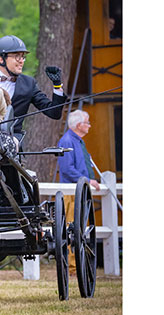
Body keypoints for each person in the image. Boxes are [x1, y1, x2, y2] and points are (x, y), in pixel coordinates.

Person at [0, 35, 68, 147]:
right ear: (1, 59)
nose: (21, 61)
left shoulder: (29, 84)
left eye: (23, 57)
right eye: (17, 57)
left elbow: (54, 113)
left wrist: (57, 86)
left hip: (12, 141)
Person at [57, 109, 100, 275]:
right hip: (71, 192)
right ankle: (72, 268)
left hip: (80, 192)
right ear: (78, 125)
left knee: (81, 229)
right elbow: (67, 169)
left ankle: (80, 264)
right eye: (87, 122)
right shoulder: (67, 141)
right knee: (72, 230)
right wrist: (88, 180)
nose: (89, 126)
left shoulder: (78, 141)